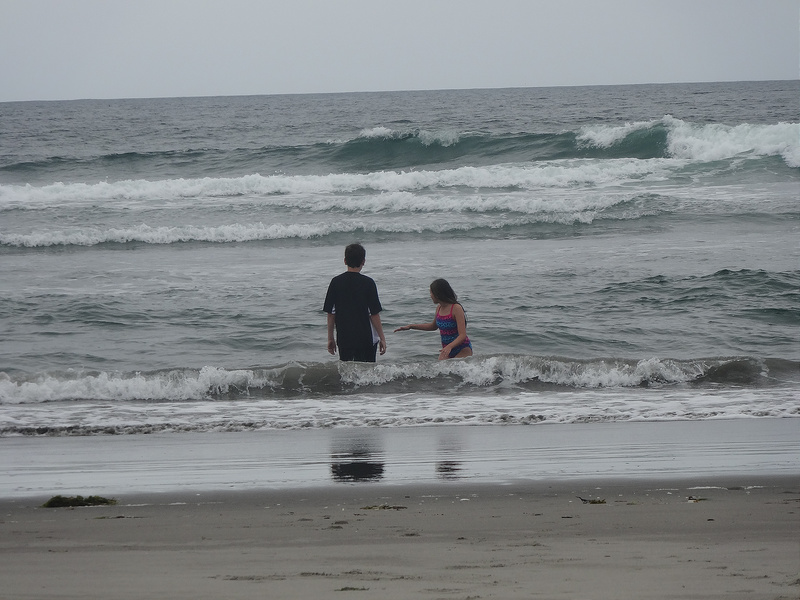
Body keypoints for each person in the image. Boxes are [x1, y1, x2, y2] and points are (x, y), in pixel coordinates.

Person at [323, 243, 387, 362]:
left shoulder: (336, 282)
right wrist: (382, 338)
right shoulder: (368, 283)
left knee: (347, 374)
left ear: (345, 261)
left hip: (344, 338)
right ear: (363, 261)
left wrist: (330, 338)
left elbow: (331, 313)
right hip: (366, 339)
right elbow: (374, 314)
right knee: (367, 374)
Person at [394, 278, 472, 360]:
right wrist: (411, 326)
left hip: (462, 348)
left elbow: (462, 335)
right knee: (441, 371)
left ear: (438, 294)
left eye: (431, 292)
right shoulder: (439, 308)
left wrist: (449, 347)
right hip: (446, 349)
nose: (430, 295)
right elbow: (433, 326)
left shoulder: (456, 308)